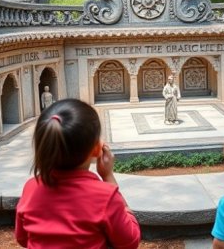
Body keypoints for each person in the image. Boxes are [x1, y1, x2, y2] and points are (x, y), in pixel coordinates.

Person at [15, 99, 141, 249]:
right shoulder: (105, 196)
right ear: (97, 149)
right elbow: (130, 242)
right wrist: (108, 177)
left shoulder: (31, 189)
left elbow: (22, 238)